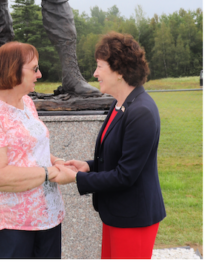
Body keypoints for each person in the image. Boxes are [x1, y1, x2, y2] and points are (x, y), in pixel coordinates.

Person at [63, 32, 166, 259]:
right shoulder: (119, 104)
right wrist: (88, 166)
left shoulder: (141, 112)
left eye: (100, 67)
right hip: (117, 215)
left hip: (134, 220)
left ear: (119, 71)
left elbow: (125, 175)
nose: (95, 74)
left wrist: (76, 179)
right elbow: (116, 157)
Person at [0, 41, 66, 258]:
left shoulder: (26, 102)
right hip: (14, 225)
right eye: (34, 69)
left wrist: (58, 162)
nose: (39, 74)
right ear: (12, 69)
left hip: (47, 216)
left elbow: (30, 150)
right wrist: (49, 173)